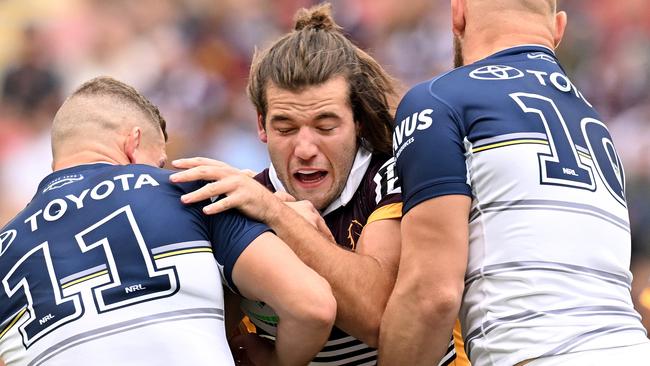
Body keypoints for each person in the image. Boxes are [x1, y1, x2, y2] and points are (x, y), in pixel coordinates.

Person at [171, 3, 468, 366]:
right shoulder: (242, 204)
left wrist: (278, 216)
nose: (306, 148)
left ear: (357, 121)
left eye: (326, 126)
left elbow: (379, 316)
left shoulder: (395, 173)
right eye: (285, 128)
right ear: (261, 126)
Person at [379, 0, 650, 365]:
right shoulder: (596, 120)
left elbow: (432, 295)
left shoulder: (439, 99)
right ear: (558, 29)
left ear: (457, 14)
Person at [0, 76, 336, 366]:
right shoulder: (192, 191)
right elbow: (312, 307)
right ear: (132, 144)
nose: (162, 169)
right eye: (158, 160)